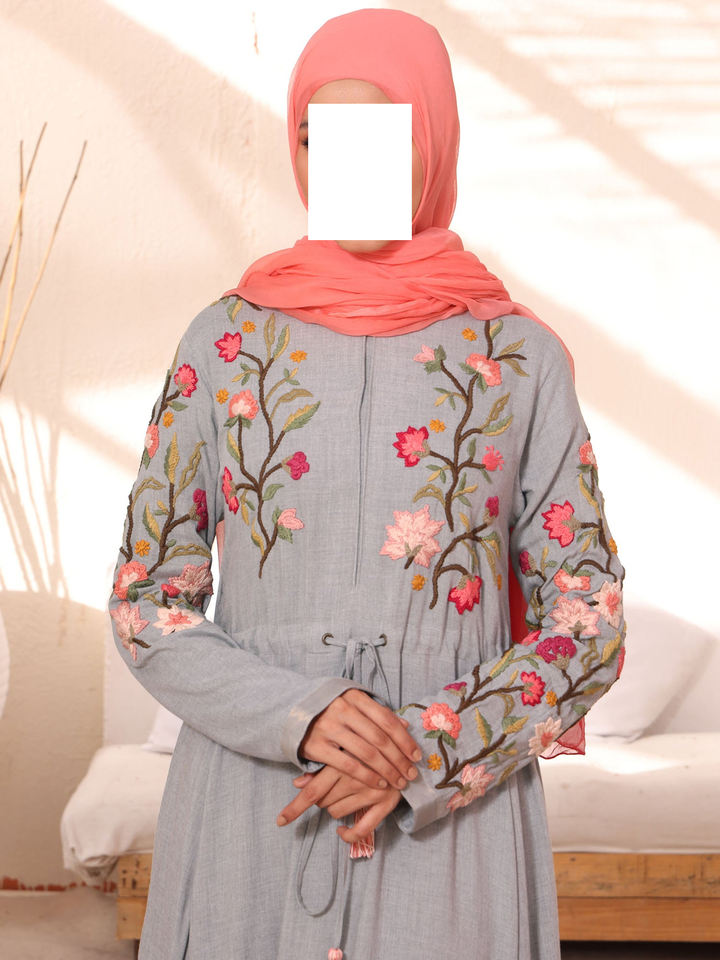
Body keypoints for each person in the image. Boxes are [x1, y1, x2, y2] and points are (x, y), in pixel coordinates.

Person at [108, 9, 626, 959]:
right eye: (319, 137)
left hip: (450, 829)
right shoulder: (225, 344)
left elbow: (588, 620)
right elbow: (147, 601)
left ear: (431, 141)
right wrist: (302, 715)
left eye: (377, 137)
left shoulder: (519, 359)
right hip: (254, 805)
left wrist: (424, 747)